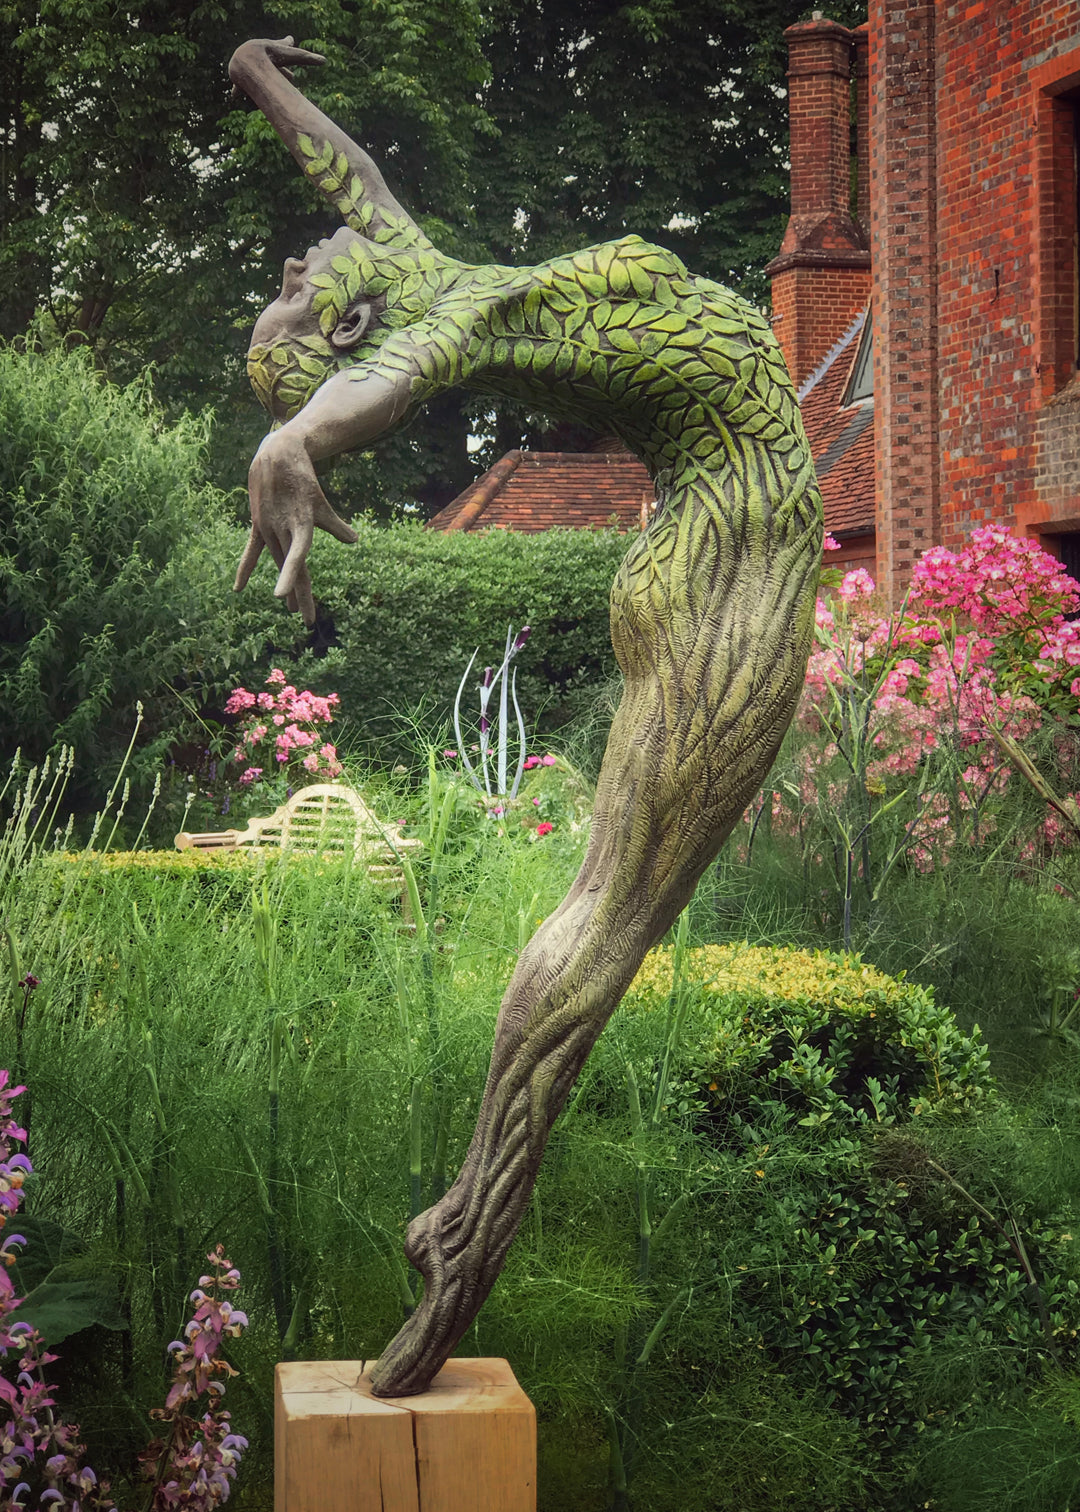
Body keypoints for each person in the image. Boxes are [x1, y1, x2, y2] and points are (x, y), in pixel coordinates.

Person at [229, 36, 824, 1396]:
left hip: (718, 539)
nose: (290, 273)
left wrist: (256, 74)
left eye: (284, 287)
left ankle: (472, 1218)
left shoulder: (419, 268)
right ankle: (478, 1226)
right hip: (733, 563)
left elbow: (352, 170)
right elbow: (363, 391)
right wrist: (296, 439)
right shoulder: (436, 325)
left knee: (611, 913)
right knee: (607, 922)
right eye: (293, 305)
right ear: (352, 331)